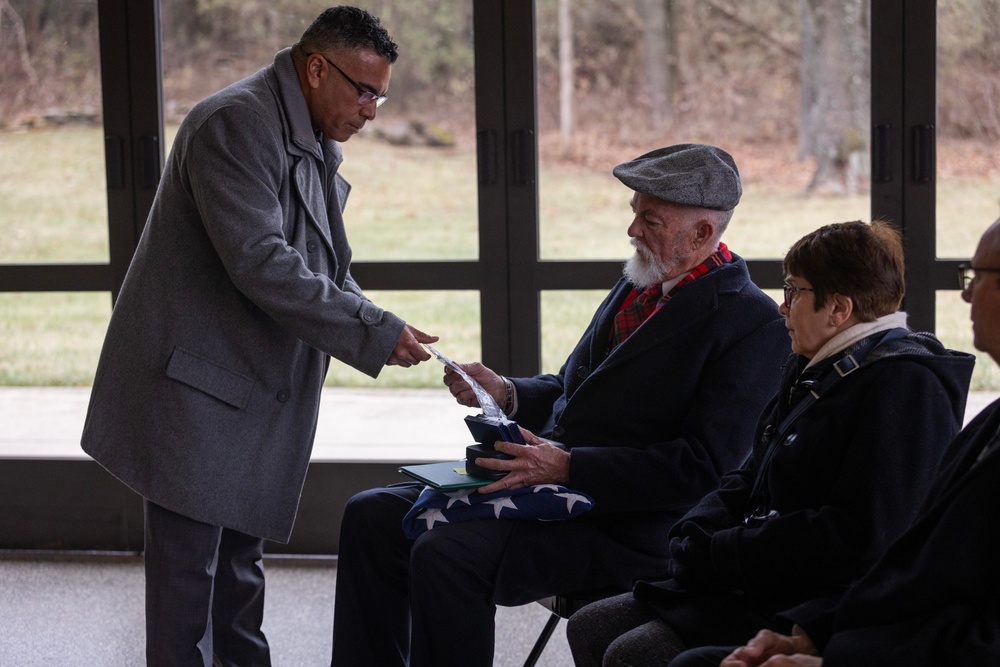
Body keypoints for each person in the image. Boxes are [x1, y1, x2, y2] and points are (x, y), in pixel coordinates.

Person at [330, 143, 792, 667]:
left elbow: (705, 469)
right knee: (368, 515)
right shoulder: (639, 283)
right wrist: (506, 391)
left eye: (651, 219)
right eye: (635, 213)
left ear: (703, 234)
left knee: (447, 555)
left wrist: (571, 467)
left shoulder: (754, 326)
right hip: (551, 485)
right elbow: (573, 387)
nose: (633, 230)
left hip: (630, 525)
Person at [80, 7, 435, 666]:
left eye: (380, 95)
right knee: (187, 593)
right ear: (315, 67)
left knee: (239, 577)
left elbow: (326, 266)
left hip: (244, 395)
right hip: (195, 391)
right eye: (363, 89)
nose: (371, 110)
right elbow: (262, 262)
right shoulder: (236, 123)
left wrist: (390, 331)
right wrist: (371, 331)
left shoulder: (309, 133)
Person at [566, 220, 976, 667]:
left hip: (814, 603)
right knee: (589, 625)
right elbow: (751, 469)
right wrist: (696, 528)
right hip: (757, 574)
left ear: (838, 309)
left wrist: (723, 553)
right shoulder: (816, 364)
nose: (781, 308)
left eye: (793, 292)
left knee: (633, 654)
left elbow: (858, 539)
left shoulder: (907, 387)